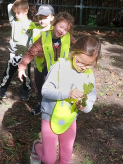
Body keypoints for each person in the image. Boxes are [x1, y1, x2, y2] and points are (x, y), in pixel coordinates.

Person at [29, 35, 101, 164]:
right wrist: (67, 93)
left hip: (69, 119)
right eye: (79, 61)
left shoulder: (89, 76)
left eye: (89, 65)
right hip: (50, 117)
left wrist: (85, 107)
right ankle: (36, 147)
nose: (83, 67)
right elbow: (45, 90)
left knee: (65, 159)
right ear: (73, 53)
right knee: (49, 160)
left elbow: (91, 99)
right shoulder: (60, 67)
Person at [18, 12, 76, 115]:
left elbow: (78, 47)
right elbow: (32, 51)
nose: (62, 31)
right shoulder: (44, 37)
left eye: (66, 29)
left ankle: (58, 108)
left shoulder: (68, 37)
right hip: (47, 71)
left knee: (59, 90)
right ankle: (41, 104)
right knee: (43, 89)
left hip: (62, 72)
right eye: (61, 26)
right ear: (55, 23)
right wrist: (22, 66)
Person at [0, 0, 35, 100]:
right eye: (15, 13)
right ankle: (3, 88)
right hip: (13, 54)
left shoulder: (31, 25)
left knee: (25, 75)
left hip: (25, 55)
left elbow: (33, 39)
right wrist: (19, 2)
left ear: (26, 10)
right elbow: (9, 6)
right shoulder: (13, 21)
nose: (16, 15)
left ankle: (26, 90)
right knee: (9, 72)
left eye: (18, 13)